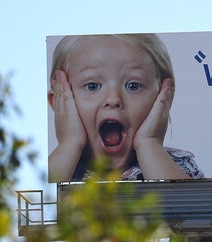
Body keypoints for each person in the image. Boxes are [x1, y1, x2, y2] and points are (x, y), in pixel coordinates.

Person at [47, 34, 203, 182]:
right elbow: (36, 203)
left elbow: (193, 207)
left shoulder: (178, 165)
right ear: (58, 101)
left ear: (163, 98)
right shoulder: (55, 165)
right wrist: (69, 143)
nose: (113, 99)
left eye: (133, 86)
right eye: (92, 86)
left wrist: (149, 143)